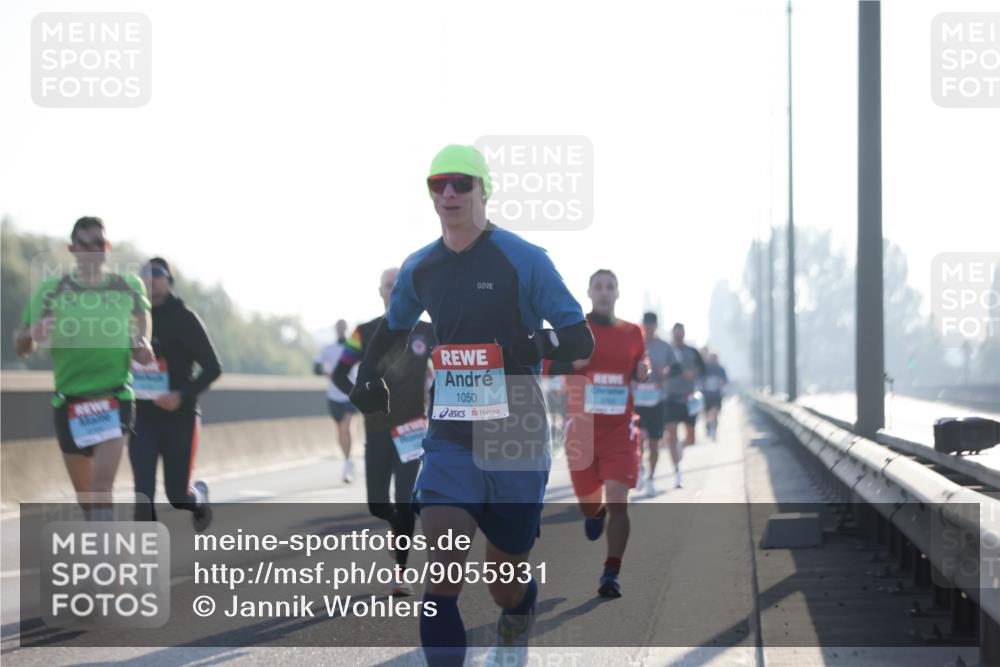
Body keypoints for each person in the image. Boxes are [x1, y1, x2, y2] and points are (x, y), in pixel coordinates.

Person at [348, 144, 593, 667]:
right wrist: (367, 377)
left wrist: (532, 348)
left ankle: (517, 613)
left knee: (504, 579)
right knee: (442, 572)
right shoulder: (422, 267)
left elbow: (579, 339)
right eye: (438, 185)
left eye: (461, 183)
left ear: (485, 189)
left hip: (516, 432)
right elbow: (392, 329)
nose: (449, 193)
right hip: (452, 431)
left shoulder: (523, 258)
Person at [14, 216, 154, 520]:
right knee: (86, 497)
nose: (93, 250)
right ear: (72, 249)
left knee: (102, 487)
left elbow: (143, 316)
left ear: (107, 246)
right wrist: (32, 335)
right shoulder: (51, 290)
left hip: (115, 396)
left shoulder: (128, 284)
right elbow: (20, 344)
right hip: (70, 403)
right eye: (85, 244)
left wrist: (143, 342)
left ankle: (106, 561)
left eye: (99, 244)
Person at [332, 267, 435, 596]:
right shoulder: (363, 332)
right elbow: (338, 372)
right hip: (376, 429)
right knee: (377, 504)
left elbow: (454, 363)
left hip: (412, 429)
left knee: (404, 500)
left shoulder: (428, 331)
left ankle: (400, 573)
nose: (395, 291)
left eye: (400, 286)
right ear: (381, 292)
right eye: (390, 286)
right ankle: (392, 522)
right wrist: (358, 394)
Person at [548, 270, 649, 599]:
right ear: (589, 293)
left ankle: (611, 572)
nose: (604, 292)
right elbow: (545, 365)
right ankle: (594, 512)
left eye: (610, 287)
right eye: (599, 287)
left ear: (618, 293)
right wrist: (571, 363)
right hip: (582, 431)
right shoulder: (576, 331)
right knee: (591, 507)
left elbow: (639, 363)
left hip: (620, 431)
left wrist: (642, 371)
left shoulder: (634, 332)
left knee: (619, 502)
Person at [130, 258, 221, 530]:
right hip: (142, 418)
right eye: (145, 274)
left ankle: (199, 498)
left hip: (179, 417)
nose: (151, 279)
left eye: (158, 274)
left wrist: (181, 395)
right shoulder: (131, 320)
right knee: (143, 495)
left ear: (169, 281)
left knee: (178, 496)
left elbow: (213, 368)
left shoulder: (185, 318)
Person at [662, 322, 706, 489]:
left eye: (681, 333)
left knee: (691, 438)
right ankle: (677, 473)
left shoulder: (692, 351)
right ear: (673, 334)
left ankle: (680, 447)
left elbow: (703, 369)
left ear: (684, 334)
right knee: (671, 434)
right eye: (676, 333)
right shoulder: (667, 350)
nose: (678, 336)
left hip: (689, 399)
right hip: (670, 398)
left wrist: (693, 373)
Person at [315, 319, 358, 482]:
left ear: (346, 328)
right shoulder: (328, 349)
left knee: (346, 427)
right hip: (333, 394)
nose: (341, 330)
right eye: (338, 327)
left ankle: (348, 466)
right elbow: (316, 367)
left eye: (343, 327)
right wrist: (329, 374)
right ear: (335, 329)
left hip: (349, 392)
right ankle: (348, 460)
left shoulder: (353, 347)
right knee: (340, 430)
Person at [635, 312, 671, 498]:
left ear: (656, 325)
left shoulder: (664, 347)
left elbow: (676, 368)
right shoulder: (634, 342)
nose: (648, 328)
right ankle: (639, 468)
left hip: (657, 401)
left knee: (655, 444)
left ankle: (651, 478)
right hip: (638, 400)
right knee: (639, 438)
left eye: (652, 325)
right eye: (646, 325)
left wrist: (666, 371)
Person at [702, 352, 729, 440]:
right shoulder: (704, 368)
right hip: (706, 395)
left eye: (714, 358)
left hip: (717, 394)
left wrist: (721, 382)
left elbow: (725, 381)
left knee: (715, 412)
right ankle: (708, 425)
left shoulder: (720, 369)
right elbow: (699, 378)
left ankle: (714, 430)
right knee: (707, 413)